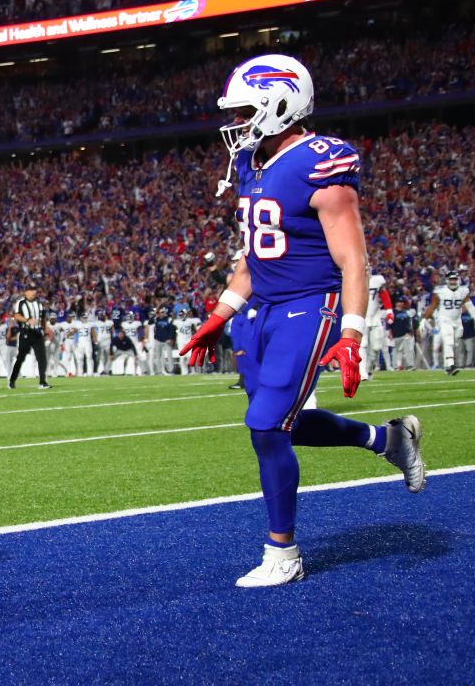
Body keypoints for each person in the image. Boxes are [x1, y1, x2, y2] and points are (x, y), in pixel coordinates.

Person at [180, 54, 425, 588]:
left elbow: (352, 260)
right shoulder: (252, 163)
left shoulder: (322, 163)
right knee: (278, 423)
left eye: (246, 109)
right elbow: (254, 257)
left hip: (308, 306)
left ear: (281, 102)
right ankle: (387, 441)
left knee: (266, 425)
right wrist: (220, 313)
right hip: (261, 311)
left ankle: (283, 554)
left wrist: (353, 333)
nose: (237, 122)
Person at [422, 270, 475, 376]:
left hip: (457, 321)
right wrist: (424, 320)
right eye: (451, 279)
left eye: (454, 279)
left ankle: (447, 365)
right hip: (444, 319)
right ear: (447, 280)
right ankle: (451, 365)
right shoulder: (440, 291)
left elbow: (469, 305)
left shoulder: (463, 291)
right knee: (449, 341)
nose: (453, 282)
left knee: (455, 343)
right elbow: (433, 306)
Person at [8, 286, 51, 389]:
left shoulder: (39, 303)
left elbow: (43, 318)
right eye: (31, 290)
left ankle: (42, 382)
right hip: (25, 332)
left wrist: (44, 331)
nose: (34, 292)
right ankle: (12, 380)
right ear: (26, 292)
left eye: (34, 290)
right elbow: (16, 316)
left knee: (42, 358)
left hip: (37, 333)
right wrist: (27, 320)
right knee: (21, 358)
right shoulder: (21, 303)